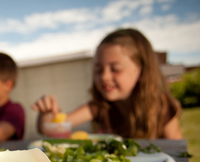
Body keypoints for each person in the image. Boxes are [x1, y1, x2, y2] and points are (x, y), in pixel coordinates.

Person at [32, 28, 182, 139]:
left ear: (142, 71)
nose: (104, 76)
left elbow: (180, 153)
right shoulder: (99, 107)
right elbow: (49, 128)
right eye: (98, 70)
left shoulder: (160, 105)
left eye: (115, 69)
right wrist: (46, 112)